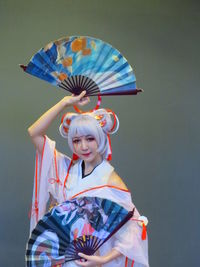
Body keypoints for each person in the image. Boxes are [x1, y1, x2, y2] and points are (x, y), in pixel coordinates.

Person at [27, 91, 149, 267]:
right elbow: (34, 133)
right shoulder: (65, 169)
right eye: (76, 140)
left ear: (100, 138)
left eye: (90, 138)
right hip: (65, 257)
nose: (83, 146)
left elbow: (132, 229)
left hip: (95, 259)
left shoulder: (110, 180)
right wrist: (64, 102)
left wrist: (103, 260)